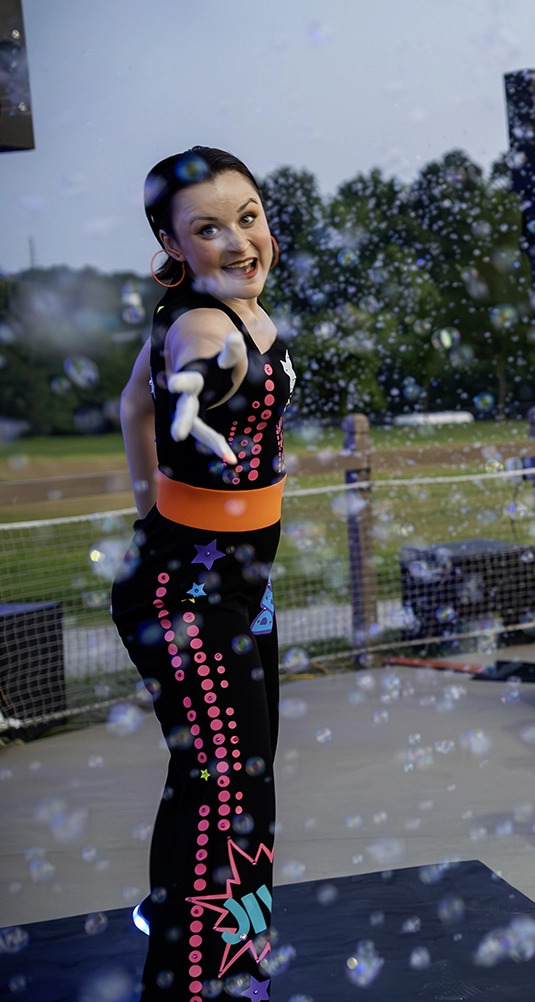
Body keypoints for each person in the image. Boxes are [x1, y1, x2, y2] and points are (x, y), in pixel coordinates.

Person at [112, 147, 290, 1000]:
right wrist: (193, 392)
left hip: (239, 587)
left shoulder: (251, 310)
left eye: (248, 216)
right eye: (208, 228)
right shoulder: (203, 323)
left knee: (222, 774)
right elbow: (184, 371)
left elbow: (130, 405)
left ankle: (168, 905)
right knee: (232, 791)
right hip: (188, 595)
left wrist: (153, 502)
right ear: (172, 244)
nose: (238, 240)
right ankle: (205, 980)